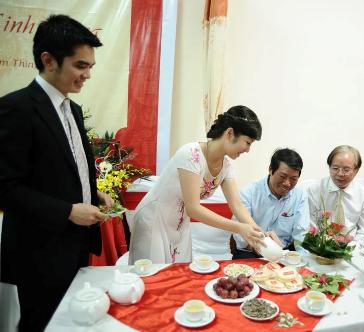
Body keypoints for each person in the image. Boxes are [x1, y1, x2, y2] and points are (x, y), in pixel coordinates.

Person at [0, 15, 113, 331]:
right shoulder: (16, 108)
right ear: (48, 60)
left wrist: (93, 193)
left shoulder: (72, 108)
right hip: (38, 252)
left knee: (69, 322)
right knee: (42, 323)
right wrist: (67, 211)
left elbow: (67, 165)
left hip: (75, 243)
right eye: (80, 66)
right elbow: (6, 189)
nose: (88, 74)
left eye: (90, 66)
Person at [129, 106, 265, 264]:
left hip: (179, 224)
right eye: (248, 142)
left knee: (177, 278)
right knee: (153, 279)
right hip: (154, 220)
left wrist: (258, 233)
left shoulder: (226, 166)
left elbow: (237, 206)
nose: (248, 150)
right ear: (229, 133)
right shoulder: (191, 155)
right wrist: (239, 227)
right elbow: (193, 208)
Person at [232, 148, 310, 259]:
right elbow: (239, 231)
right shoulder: (249, 193)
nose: (287, 184)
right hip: (250, 252)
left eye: (293, 179)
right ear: (270, 169)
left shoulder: (300, 196)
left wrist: (302, 261)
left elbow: (301, 234)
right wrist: (261, 244)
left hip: (283, 252)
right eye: (283, 177)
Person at [306, 145, 364, 244]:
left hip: (351, 248)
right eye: (335, 168)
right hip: (319, 246)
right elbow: (310, 225)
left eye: (346, 170)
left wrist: (348, 248)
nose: (340, 174)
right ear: (329, 167)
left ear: (356, 170)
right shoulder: (315, 190)